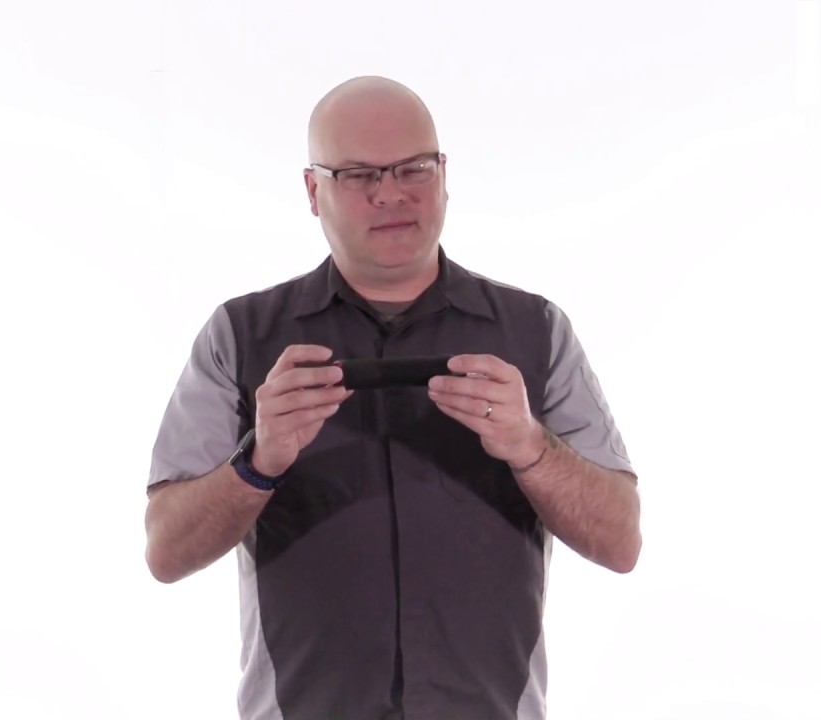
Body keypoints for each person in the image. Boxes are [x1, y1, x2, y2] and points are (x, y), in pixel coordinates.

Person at [144, 76, 641, 720]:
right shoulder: (241, 337)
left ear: (444, 174)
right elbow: (166, 551)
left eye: (413, 168)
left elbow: (621, 541)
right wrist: (258, 462)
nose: (391, 193)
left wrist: (530, 448)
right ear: (313, 191)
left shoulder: (536, 332)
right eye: (358, 175)